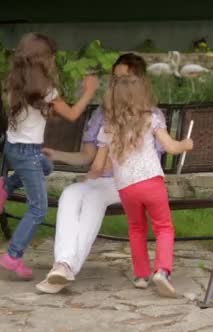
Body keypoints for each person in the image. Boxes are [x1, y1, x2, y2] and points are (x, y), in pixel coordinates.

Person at [36, 53, 163, 293]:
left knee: (93, 199)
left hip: (128, 183)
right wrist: (57, 154)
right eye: (114, 79)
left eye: (124, 79)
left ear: (139, 81)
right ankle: (62, 267)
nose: (117, 85)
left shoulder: (150, 116)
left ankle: (65, 267)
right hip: (97, 179)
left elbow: (149, 161)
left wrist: (108, 166)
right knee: (71, 193)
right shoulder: (101, 114)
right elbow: (87, 157)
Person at [0, 32, 99, 280]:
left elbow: (33, 115)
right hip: (27, 153)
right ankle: (13, 255)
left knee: (46, 166)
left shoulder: (16, 84)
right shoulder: (46, 90)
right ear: (43, 60)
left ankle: (3, 185)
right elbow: (71, 115)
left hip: (14, 148)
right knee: (39, 208)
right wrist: (89, 92)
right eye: (51, 57)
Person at [89, 74, 193, 297]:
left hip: (126, 188)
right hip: (151, 182)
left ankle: (140, 276)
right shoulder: (151, 119)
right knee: (163, 227)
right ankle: (162, 271)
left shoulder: (108, 128)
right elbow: (172, 147)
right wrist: (186, 144)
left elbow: (98, 165)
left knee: (136, 228)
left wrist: (90, 177)